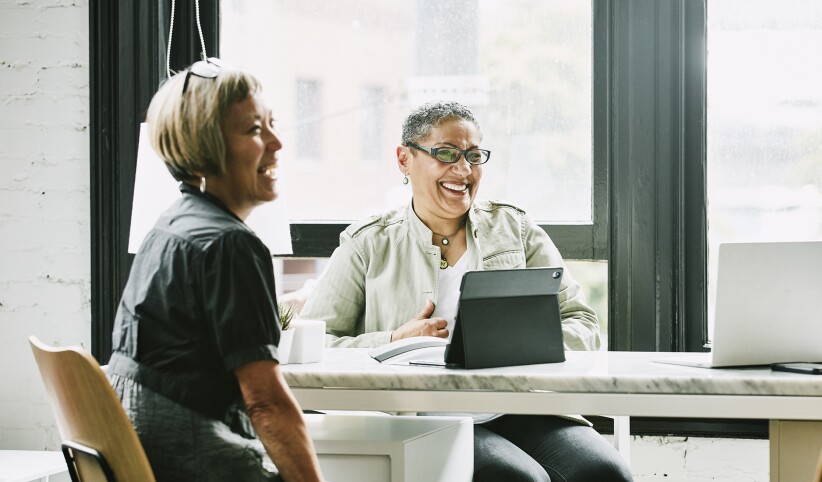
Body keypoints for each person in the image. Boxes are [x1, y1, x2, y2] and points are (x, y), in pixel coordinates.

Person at [300, 100, 633, 481]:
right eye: (446, 153)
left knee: (606, 472)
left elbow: (582, 322)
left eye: (474, 156)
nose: (464, 169)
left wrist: (524, 343)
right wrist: (392, 341)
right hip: (424, 415)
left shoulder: (515, 228)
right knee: (516, 478)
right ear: (404, 159)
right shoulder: (367, 243)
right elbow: (314, 346)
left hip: (520, 407)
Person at [107, 59, 324, 482]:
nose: (277, 143)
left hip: (151, 453)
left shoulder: (169, 226)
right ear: (205, 149)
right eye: (254, 130)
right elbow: (265, 404)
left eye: (272, 123)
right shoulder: (230, 245)